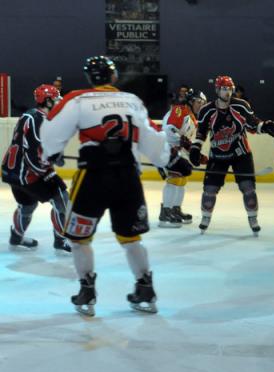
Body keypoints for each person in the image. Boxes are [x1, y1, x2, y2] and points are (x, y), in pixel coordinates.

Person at [40, 56, 192, 316]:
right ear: (113, 77)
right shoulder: (132, 101)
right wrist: (173, 160)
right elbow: (152, 139)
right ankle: (145, 287)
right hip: (127, 179)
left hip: (93, 178)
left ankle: (86, 290)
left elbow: (52, 132)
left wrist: (52, 153)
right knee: (131, 238)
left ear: (90, 78)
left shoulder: (77, 99)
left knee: (79, 238)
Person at [190, 75, 274, 235]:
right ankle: (205, 217)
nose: (228, 92)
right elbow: (201, 132)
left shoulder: (241, 106)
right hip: (217, 156)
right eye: (224, 89)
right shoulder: (207, 110)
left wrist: (265, 126)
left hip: (241, 154)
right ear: (217, 90)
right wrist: (195, 148)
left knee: (248, 188)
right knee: (209, 189)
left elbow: (253, 123)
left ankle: (253, 218)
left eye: (230, 89)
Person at [1, 84, 71, 252]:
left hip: (12, 172)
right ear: (47, 101)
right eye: (55, 99)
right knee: (63, 200)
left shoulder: (30, 116)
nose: (58, 103)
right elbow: (33, 155)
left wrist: (54, 156)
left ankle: (17, 236)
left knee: (27, 206)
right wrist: (48, 165)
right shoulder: (39, 119)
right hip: (29, 173)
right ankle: (61, 240)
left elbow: (38, 147)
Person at [158, 87, 207, 227]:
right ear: (191, 101)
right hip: (168, 149)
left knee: (182, 179)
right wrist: (182, 141)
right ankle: (165, 213)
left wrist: (195, 153)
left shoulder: (192, 118)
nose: (201, 105)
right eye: (199, 101)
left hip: (177, 151)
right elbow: (169, 129)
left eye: (203, 103)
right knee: (174, 178)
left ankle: (175, 209)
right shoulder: (181, 110)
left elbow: (185, 142)